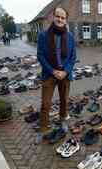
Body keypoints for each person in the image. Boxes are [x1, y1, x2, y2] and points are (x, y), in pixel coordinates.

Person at [35, 7, 77, 144]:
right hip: (49, 74)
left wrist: (65, 71)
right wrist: (53, 71)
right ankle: (43, 129)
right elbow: (40, 55)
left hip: (65, 74)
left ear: (66, 20)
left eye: (63, 18)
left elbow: (73, 57)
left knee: (64, 100)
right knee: (45, 104)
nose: (60, 19)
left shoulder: (70, 37)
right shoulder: (43, 35)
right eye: (58, 16)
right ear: (53, 17)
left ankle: (62, 120)